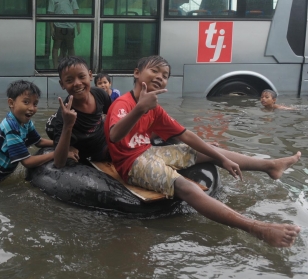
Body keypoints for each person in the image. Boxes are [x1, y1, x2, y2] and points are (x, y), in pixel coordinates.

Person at [104, 55, 301, 248]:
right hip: (132, 164)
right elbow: (114, 135)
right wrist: (139, 109)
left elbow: (186, 135)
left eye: (164, 75)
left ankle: (270, 166)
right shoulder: (123, 104)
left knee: (211, 150)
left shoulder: (154, 109)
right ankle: (256, 228)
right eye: (154, 71)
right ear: (137, 73)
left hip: (148, 152)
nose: (159, 77)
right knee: (188, 187)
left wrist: (221, 158)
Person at [0, 80, 75, 182]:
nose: (31, 108)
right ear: (11, 103)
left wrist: (63, 145)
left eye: (35, 104)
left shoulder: (25, 121)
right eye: (26, 102)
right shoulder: (11, 127)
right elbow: (27, 162)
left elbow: (38, 142)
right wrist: (60, 154)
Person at [46, 56, 111, 168]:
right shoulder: (64, 115)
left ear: (90, 75)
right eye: (69, 80)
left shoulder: (100, 95)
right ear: (62, 84)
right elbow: (58, 163)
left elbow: (114, 118)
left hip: (103, 144)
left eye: (81, 77)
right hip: (85, 154)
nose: (77, 83)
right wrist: (68, 125)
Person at [48, 0, 81, 68]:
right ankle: (55, 67)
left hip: (70, 26)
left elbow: (75, 11)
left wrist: (78, 25)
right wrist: (52, 28)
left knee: (70, 47)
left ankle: (72, 66)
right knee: (56, 47)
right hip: (58, 26)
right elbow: (51, 14)